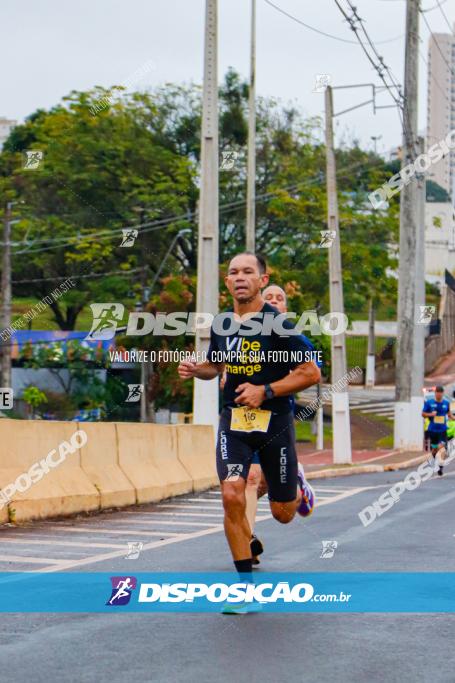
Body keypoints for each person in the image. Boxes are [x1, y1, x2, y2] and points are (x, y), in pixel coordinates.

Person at [178, 252, 320, 611]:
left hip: (275, 425)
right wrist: (199, 370)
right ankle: (245, 590)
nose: (240, 277)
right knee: (231, 494)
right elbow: (216, 365)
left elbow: (311, 373)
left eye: (248, 272)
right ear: (227, 282)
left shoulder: (280, 326)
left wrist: (266, 391)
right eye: (233, 273)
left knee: (283, 514)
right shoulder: (223, 324)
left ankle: (297, 488)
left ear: (262, 279)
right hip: (235, 423)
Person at [422, 385, 455, 476]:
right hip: (433, 429)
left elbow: (449, 415)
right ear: (435, 393)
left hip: (443, 429)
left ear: (442, 393)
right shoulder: (429, 403)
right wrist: (431, 414)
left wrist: (453, 418)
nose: (439, 394)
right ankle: (433, 460)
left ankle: (440, 467)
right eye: (437, 392)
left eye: (440, 393)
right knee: (435, 449)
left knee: (442, 447)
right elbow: (423, 414)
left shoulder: (446, 403)